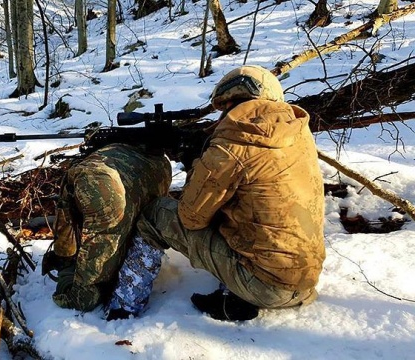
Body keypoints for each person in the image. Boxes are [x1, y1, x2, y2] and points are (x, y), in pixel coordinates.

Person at [107, 65, 326, 321]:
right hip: (304, 280)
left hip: (265, 285)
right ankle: (236, 297)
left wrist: (195, 163)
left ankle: (124, 307)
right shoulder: (295, 132)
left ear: (228, 100)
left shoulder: (233, 145)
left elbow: (191, 217)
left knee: (154, 216)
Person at [42, 142, 172, 312]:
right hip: (108, 180)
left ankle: (71, 269)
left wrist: (68, 269)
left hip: (103, 185)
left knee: (85, 298)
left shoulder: (99, 188)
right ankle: (72, 267)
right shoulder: (160, 162)